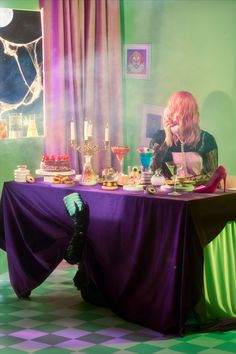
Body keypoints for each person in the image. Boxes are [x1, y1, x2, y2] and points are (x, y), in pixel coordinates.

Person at [149, 91, 218, 179]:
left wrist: (190, 181)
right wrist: (167, 140)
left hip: (197, 190)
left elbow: (213, 174)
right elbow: (151, 170)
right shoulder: (159, 137)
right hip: (168, 191)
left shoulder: (206, 139)